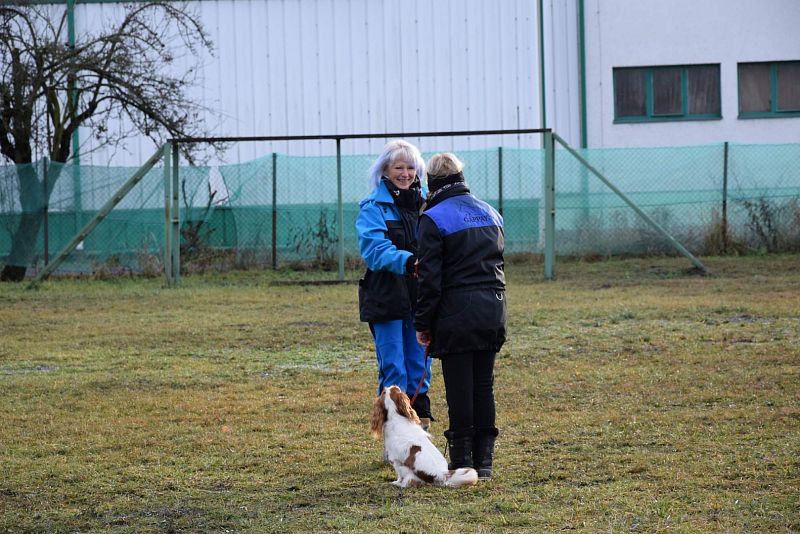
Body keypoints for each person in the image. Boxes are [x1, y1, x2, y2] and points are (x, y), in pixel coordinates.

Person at [414, 152, 506, 480]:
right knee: (484, 385)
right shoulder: (491, 213)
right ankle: (485, 462)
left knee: (459, 388)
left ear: (430, 181)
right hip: (493, 307)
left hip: (456, 313)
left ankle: (462, 462)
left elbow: (430, 280)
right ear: (461, 176)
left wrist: (423, 324)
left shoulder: (433, 218)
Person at [356, 140, 434, 429]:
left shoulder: (430, 203)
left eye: (410, 167)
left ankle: (420, 432)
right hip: (386, 296)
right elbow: (374, 250)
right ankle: (394, 436)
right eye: (398, 167)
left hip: (421, 296)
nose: (405, 173)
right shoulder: (372, 207)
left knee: (419, 367)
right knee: (393, 368)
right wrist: (411, 262)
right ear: (385, 171)